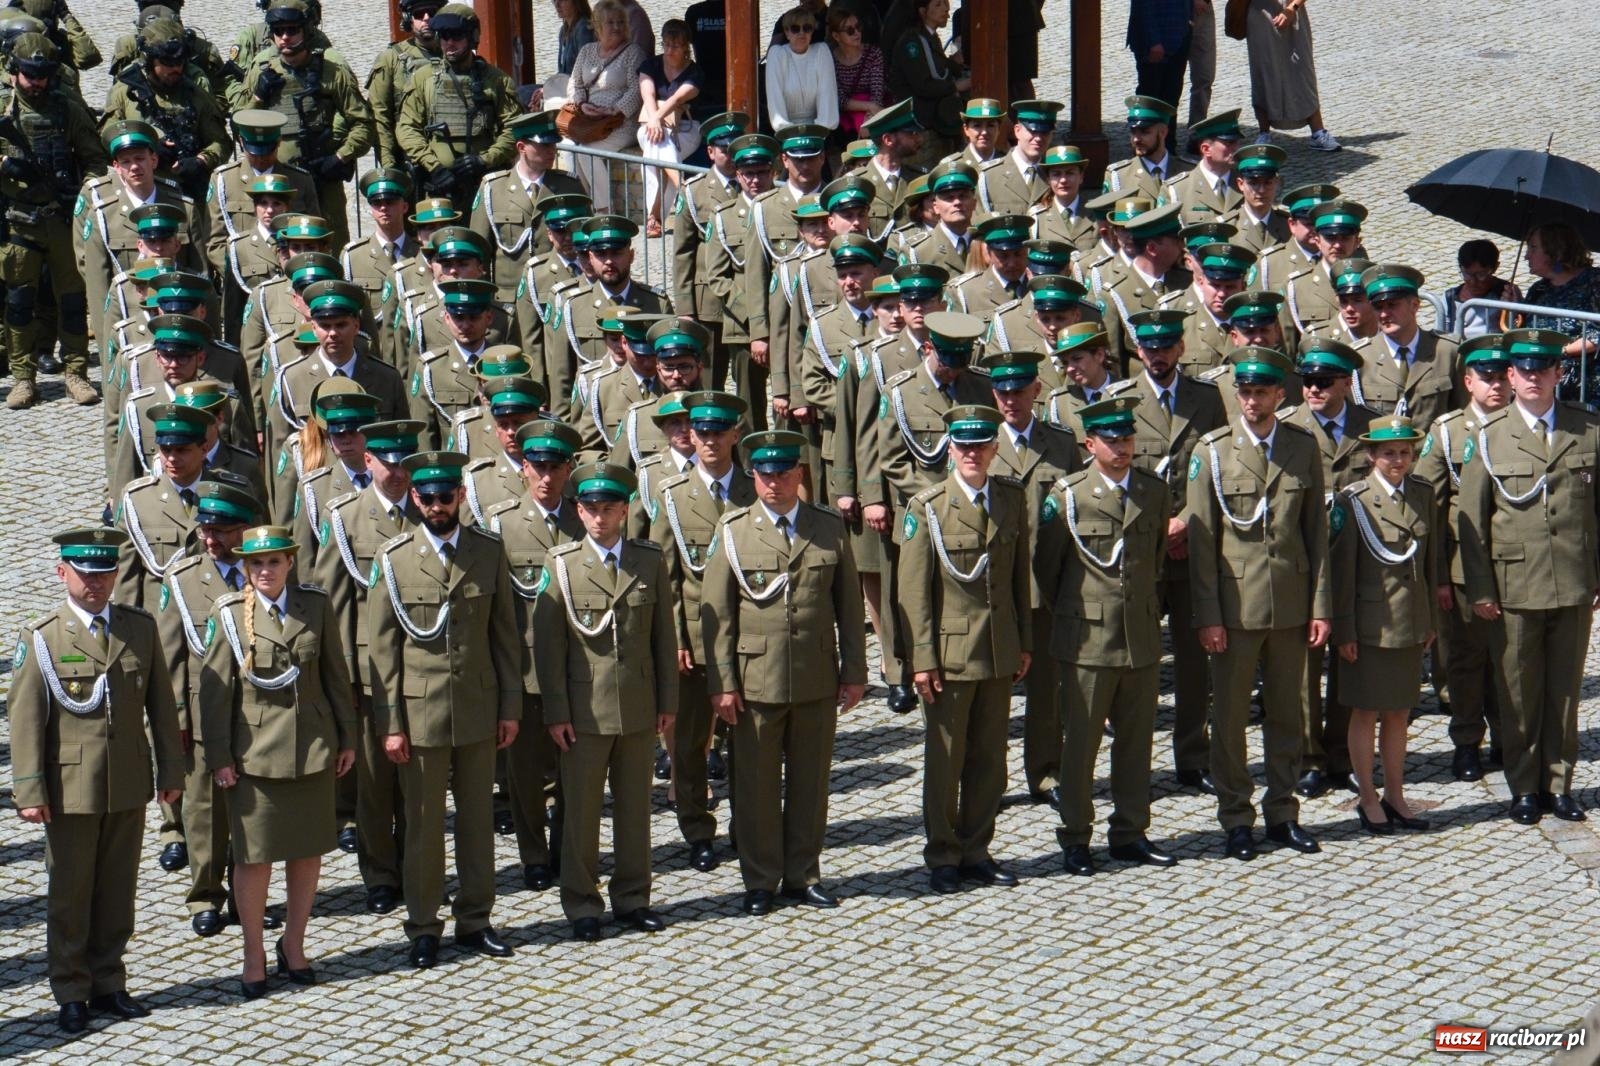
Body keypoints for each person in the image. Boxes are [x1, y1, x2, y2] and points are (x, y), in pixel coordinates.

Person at [12, 528, 181, 1034]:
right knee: (71, 891)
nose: (97, 583)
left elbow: (161, 708)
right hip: (70, 789)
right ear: (63, 573)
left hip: (127, 780)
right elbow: (25, 720)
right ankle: (70, 989)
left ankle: (109, 981)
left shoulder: (139, 628)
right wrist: (30, 789)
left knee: (117, 889)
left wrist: (170, 772)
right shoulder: (44, 637)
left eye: (105, 572)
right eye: (86, 573)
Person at [367, 450, 523, 968]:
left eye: (446, 496)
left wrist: (510, 706)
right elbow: (383, 651)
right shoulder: (394, 559)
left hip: (478, 706)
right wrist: (390, 723)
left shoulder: (487, 550)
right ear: (415, 498)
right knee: (424, 826)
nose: (437, 505)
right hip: (421, 713)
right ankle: (423, 926)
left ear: (460, 495)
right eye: (427, 497)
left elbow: (505, 636)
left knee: (478, 822)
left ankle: (475, 920)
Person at [702, 429, 866, 914]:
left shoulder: (828, 527)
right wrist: (723, 683)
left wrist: (853, 671)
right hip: (755, 682)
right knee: (754, 786)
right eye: (765, 474)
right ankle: (759, 878)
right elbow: (718, 613)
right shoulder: (732, 532)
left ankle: (802, 873)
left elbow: (848, 606)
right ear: (753, 477)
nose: (774, 483)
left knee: (810, 782)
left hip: (815, 674)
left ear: (800, 473)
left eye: (783, 473)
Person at [198, 525, 355, 997]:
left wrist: (347, 738)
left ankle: (295, 943)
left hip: (312, 747)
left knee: (307, 852)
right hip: (255, 757)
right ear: (245, 569)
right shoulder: (227, 615)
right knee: (255, 858)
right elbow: (213, 694)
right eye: (255, 564)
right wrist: (220, 756)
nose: (265, 571)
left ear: (290, 563)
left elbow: (334, 675)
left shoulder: (315, 606)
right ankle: (252, 953)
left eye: (274, 562)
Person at [1187, 346, 1329, 860]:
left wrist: (1321, 605)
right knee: (1228, 717)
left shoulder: (1301, 446)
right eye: (1244, 392)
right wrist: (1209, 615)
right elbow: (1202, 544)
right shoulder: (1212, 452)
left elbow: (1314, 533)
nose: (1251, 400)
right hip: (1235, 606)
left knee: (1288, 712)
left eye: (1261, 392)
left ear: (1279, 395)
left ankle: (1283, 811)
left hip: (1290, 601)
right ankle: (1236, 817)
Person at [1457, 328, 1600, 826]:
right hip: (1513, 585)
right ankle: (1523, 786)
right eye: (1525, 369)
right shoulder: (1488, 439)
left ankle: (1558, 784)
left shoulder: (1587, 429)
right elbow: (1471, 522)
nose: (1534, 377)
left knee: (1563, 690)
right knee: (1518, 688)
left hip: (1574, 579)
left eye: (1544, 368)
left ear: (1560, 374)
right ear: (1511, 376)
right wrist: (1479, 589)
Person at [534, 463, 677, 941]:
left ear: (625, 510)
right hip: (584, 710)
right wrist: (555, 712)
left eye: (608, 510)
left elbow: (663, 637)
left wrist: (667, 702)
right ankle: (581, 904)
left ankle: (633, 898)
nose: (599, 519)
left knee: (635, 810)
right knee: (581, 811)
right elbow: (548, 648)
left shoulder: (648, 560)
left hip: (637, 704)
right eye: (591, 510)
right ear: (579, 511)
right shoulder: (562, 564)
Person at [1035, 394, 1176, 873]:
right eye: (1111, 441)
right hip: (1087, 640)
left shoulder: (1153, 492)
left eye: (1128, 438)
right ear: (1089, 444)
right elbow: (1049, 571)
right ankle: (1075, 835)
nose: (1122, 447)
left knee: (1136, 742)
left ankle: (1131, 831)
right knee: (1081, 744)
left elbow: (1153, 560)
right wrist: (1081, 615)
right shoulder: (1067, 497)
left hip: (1139, 635)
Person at [900, 402, 1031, 893]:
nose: (972, 453)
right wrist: (923, 658)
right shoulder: (928, 508)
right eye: (963, 445)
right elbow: (913, 591)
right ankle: (942, 855)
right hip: (950, 654)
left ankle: (977, 848)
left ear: (996, 449)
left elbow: (1020, 577)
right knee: (946, 759)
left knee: (989, 759)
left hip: (998, 648)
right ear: (949, 450)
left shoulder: (1010, 498)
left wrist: (1024, 644)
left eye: (981, 445)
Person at [1329, 418, 1439, 835]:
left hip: (1409, 622)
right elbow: (1342, 573)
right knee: (1365, 711)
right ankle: (1368, 798)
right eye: (1389, 452)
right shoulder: (1353, 499)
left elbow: (1430, 564)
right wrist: (1345, 631)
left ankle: (1396, 794)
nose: (1397, 460)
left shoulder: (1423, 495)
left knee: (1399, 712)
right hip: (1370, 624)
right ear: (1371, 456)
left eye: (1404, 452)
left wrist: (1428, 619)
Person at [982, 350, 1080, 807]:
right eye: (1001, 391)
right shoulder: (975, 444)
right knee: (993, 694)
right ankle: (989, 780)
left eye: (1018, 390)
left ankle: (1046, 773)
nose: (1009, 400)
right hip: (993, 591)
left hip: (1046, 584)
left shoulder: (1061, 444)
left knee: (1047, 690)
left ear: (1036, 391)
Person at [2, 33, 108, 410]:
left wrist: (83, 195)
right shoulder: (4, 111)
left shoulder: (68, 108)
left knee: (73, 301)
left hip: (64, 220)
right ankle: (22, 379)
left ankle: (76, 373)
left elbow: (95, 160)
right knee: (18, 303)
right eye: (31, 75)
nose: (38, 82)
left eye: (44, 75)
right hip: (17, 221)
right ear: (14, 72)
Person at [230, 0, 373, 250]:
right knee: (274, 246)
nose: (285, 38)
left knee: (332, 244)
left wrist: (340, 157)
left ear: (306, 30)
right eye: (279, 31)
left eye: (292, 30)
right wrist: (258, 98)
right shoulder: (261, 67)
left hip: (322, 175)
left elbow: (363, 123)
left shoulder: (332, 69)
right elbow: (240, 125)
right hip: (275, 179)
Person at [396, 4, 522, 211]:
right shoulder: (423, 79)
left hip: (485, 182)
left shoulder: (496, 81)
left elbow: (514, 128)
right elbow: (407, 128)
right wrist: (434, 167)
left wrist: (485, 160)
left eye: (456, 36)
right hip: (440, 186)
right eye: (444, 37)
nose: (449, 43)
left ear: (472, 37)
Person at [563, 0, 645, 213]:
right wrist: (582, 104)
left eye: (620, 22)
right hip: (588, 120)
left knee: (586, 151)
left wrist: (614, 109)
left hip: (620, 123)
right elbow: (575, 83)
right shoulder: (587, 51)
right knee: (569, 149)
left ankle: (603, 209)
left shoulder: (632, 52)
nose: (616, 27)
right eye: (610, 23)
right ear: (598, 26)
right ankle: (581, 204)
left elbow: (637, 90)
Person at [636, 20, 703, 238]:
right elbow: (648, 94)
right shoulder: (651, 65)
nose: (669, 50)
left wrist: (657, 119)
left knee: (659, 148)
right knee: (661, 142)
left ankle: (653, 217)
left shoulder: (694, 72)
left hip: (685, 127)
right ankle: (683, 192)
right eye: (666, 45)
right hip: (649, 126)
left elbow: (676, 98)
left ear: (686, 47)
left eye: (675, 46)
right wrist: (655, 120)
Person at [1244, 0, 1339, 151]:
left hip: (1293, 13)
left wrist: (1291, 8)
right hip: (1259, 14)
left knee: (1303, 72)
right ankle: (1264, 133)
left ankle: (1318, 132)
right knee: (1263, 71)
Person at [1523, 223, 1600, 402]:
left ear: (1555, 251)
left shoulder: (1594, 281)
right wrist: (1513, 307)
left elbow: (1598, 333)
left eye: (1533, 248)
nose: (1527, 256)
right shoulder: (1539, 288)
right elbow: (1523, 330)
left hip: (1586, 382)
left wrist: (1560, 351)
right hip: (1543, 378)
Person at [887, 0, 968, 163]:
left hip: (936, 118)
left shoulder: (930, 36)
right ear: (923, 11)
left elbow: (939, 65)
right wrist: (958, 85)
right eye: (938, 4)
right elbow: (924, 85)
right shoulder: (912, 42)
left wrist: (954, 64)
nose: (946, 8)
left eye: (945, 2)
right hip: (920, 121)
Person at [365, 0, 441, 169]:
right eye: (419, 15)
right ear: (409, 19)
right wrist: (389, 166)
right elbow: (380, 116)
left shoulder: (452, 56)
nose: (426, 19)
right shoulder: (391, 58)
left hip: (448, 156)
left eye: (432, 13)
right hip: (409, 161)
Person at [1126, 0, 1191, 154]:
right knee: (1150, 100)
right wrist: (1153, 41)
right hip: (1154, 42)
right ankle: (1143, 146)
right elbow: (1144, 6)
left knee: (1171, 97)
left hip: (1179, 37)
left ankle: (1168, 147)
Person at [765, 6, 839, 136]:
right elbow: (775, 103)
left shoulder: (821, 51)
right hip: (786, 133)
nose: (801, 33)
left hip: (818, 132)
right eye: (795, 28)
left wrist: (818, 131)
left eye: (807, 28)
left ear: (812, 32)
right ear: (787, 32)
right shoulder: (777, 54)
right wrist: (788, 131)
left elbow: (827, 97)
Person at [827, 6, 885, 146]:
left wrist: (869, 119)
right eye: (850, 30)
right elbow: (839, 99)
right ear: (836, 36)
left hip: (872, 111)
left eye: (858, 27)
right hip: (848, 113)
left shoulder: (873, 54)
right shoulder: (830, 59)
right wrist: (869, 106)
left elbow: (877, 92)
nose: (857, 33)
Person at [1441, 239, 1521, 339]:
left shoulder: (1507, 293)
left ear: (1495, 267)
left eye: (1481, 274)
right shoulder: (1450, 298)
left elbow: (1516, 334)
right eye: (1467, 274)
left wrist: (1510, 311)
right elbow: (1440, 336)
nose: (1473, 282)